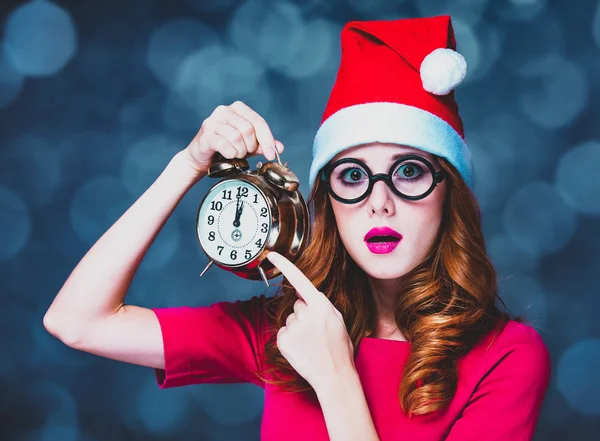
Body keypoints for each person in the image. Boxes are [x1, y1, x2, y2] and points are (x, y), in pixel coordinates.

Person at [43, 15, 551, 441]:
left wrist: (334, 378)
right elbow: (77, 321)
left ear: (450, 193)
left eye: (409, 171)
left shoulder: (508, 358)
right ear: (327, 202)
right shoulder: (285, 330)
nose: (380, 202)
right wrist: (188, 163)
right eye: (352, 176)